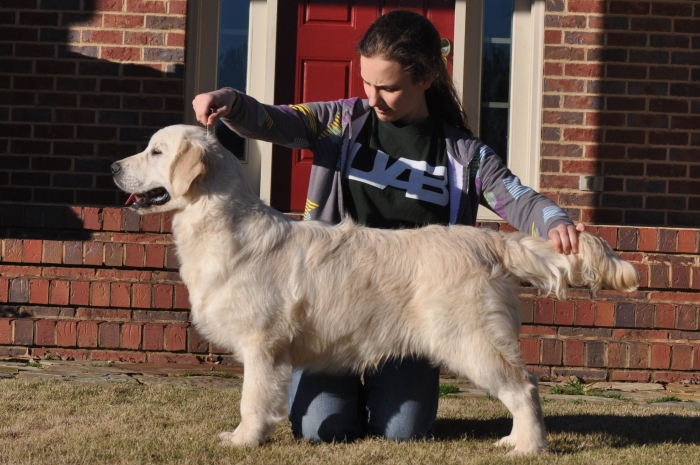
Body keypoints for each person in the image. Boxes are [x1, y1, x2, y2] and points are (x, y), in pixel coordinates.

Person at [193, 10, 584, 443]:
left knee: (403, 433)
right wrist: (231, 100)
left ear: (426, 78)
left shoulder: (463, 154)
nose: (373, 98)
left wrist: (555, 222)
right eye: (367, 83)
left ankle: (519, 421)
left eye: (390, 87)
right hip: (330, 305)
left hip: (410, 303)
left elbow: (517, 197)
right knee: (321, 430)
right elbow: (275, 120)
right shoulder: (341, 122)